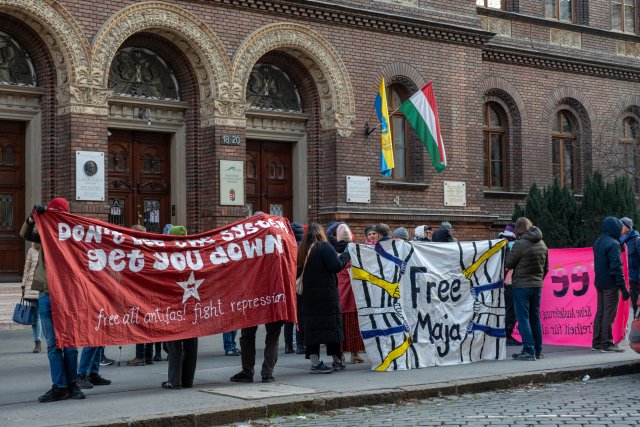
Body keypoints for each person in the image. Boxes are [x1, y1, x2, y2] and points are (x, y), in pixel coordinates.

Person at [20, 198, 85, 402]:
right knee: (53, 344)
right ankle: (60, 386)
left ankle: (72, 384)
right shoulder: (45, 233)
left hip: (68, 294)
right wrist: (33, 218)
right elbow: (26, 234)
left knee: (71, 343)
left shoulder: (73, 234)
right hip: (48, 293)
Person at [298, 223, 351, 374]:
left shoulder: (302, 250)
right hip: (327, 297)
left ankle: (315, 363)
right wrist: (347, 254)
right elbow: (336, 266)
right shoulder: (324, 247)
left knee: (312, 330)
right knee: (332, 328)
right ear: (322, 233)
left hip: (308, 298)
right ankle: (337, 360)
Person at [505, 217, 548, 361]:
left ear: (518, 229)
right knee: (535, 318)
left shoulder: (519, 244)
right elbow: (546, 267)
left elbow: (509, 263)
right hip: (537, 286)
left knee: (523, 319)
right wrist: (538, 280)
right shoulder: (542, 243)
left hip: (522, 286)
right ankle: (538, 350)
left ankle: (528, 350)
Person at [163, 225, 199, 389]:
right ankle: (188, 379)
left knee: (174, 343)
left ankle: (174, 380)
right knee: (191, 343)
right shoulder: (194, 254)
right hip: (192, 305)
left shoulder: (168, 255)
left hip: (174, 305)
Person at [592, 216, 631, 352]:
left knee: (600, 313)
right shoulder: (613, 244)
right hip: (611, 284)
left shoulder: (598, 242)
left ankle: (596, 343)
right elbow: (616, 268)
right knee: (609, 314)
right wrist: (623, 288)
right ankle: (607, 343)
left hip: (600, 283)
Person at [335, 223, 365, 364]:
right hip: (353, 293)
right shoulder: (355, 250)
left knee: (340, 325)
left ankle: (339, 354)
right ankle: (354, 353)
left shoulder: (332, 250)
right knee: (353, 324)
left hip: (339, 293)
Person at [127, 224, 157, 366]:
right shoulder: (150, 248)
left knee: (140, 323)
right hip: (150, 291)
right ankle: (148, 356)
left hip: (138, 292)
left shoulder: (132, 250)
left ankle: (140, 356)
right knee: (149, 323)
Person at [283, 221, 306, 355]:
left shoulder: (287, 246)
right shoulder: (303, 248)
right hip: (300, 286)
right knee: (300, 316)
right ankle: (300, 344)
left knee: (289, 318)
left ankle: (287, 345)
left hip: (287, 286)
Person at [499, 224, 519, 346]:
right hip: (510, 282)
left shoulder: (499, 243)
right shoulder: (513, 245)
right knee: (511, 310)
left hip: (503, 281)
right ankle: (507, 335)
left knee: (508, 309)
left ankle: (506, 333)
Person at [21, 241, 42, 353]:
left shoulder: (48, 247)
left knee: (46, 316)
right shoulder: (31, 250)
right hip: (32, 287)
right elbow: (26, 268)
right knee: (36, 317)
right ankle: (37, 342)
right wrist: (23, 285)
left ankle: (53, 343)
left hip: (44, 287)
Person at [620, 217, 640, 315]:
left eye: (622, 225)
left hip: (635, 279)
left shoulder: (637, 240)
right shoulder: (620, 241)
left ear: (628, 227)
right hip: (624, 278)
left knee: (636, 305)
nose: (620, 227)